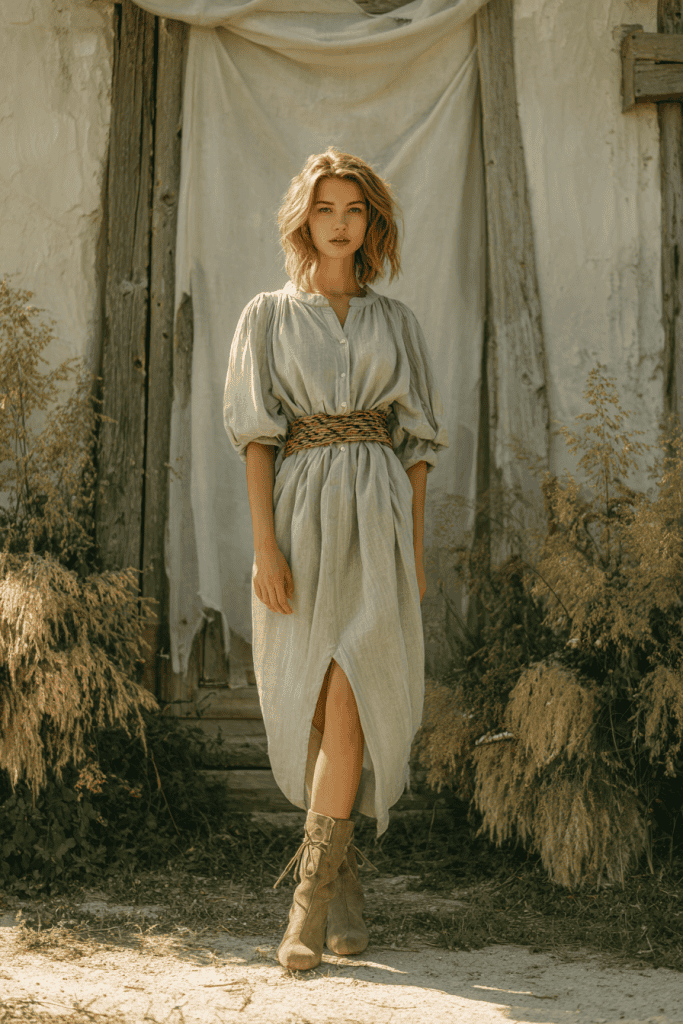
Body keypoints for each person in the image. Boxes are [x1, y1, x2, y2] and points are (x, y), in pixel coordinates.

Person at [223, 146, 448, 971]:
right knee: (318, 704)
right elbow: (255, 437)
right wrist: (263, 547)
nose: (340, 223)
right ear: (303, 221)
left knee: (353, 697)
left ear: (371, 222)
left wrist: (414, 552)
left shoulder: (397, 324)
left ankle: (305, 906)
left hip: (379, 513)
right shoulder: (267, 317)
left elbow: (417, 446)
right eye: (326, 210)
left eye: (353, 210)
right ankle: (346, 885)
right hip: (301, 512)